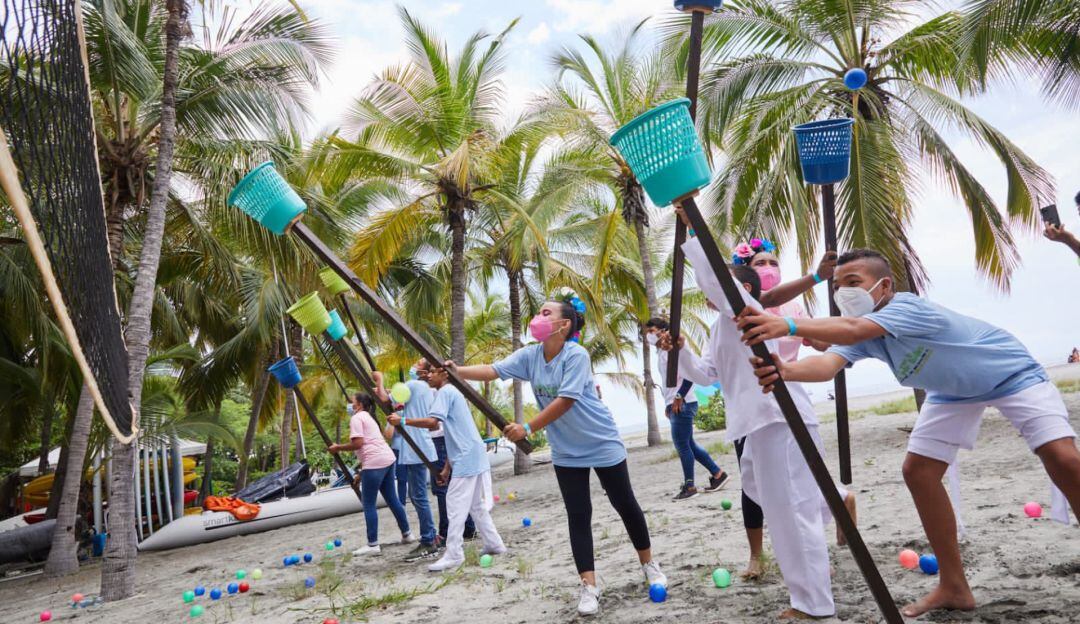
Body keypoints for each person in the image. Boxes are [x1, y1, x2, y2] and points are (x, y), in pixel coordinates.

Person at [739, 248, 1080, 618]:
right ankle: (954, 586)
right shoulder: (864, 333)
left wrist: (789, 325)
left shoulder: (906, 307)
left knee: (1061, 456)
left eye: (853, 282)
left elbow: (852, 329)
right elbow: (826, 364)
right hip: (950, 392)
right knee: (918, 471)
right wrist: (786, 371)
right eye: (837, 287)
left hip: (1011, 373)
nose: (843, 293)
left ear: (884, 286)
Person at [657, 229, 844, 620]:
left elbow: (714, 279)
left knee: (793, 511)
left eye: (721, 282)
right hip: (754, 424)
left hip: (779, 418)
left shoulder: (746, 308)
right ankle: (830, 508)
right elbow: (706, 374)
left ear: (741, 289)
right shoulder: (721, 325)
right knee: (769, 498)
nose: (708, 290)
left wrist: (691, 230)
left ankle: (814, 603)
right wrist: (682, 351)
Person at [448, 294, 666, 617]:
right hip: (566, 450)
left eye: (545, 312)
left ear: (563, 325)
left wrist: (527, 427)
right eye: (539, 311)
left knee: (625, 504)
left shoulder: (576, 355)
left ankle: (649, 565)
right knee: (578, 515)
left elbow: (566, 400)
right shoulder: (531, 355)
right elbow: (493, 370)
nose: (538, 316)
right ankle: (589, 586)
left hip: (601, 442)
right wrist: (457, 371)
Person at [736, 237, 854, 578]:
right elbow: (767, 298)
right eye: (760, 263)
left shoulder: (792, 309)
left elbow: (819, 342)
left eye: (773, 263)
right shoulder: (742, 303)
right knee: (753, 481)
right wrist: (816, 277)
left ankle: (816, 550)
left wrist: (843, 326)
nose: (768, 268)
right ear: (746, 274)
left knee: (802, 478)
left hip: (789, 396)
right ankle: (756, 555)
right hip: (750, 403)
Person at [387, 363, 505, 572]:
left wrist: (403, 420)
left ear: (444, 373)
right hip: (469, 454)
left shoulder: (445, 391)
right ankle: (494, 543)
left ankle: (454, 554)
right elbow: (454, 434)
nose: (428, 376)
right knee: (475, 505)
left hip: (467, 456)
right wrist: (447, 468)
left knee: (455, 503)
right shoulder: (451, 392)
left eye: (432, 372)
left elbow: (433, 423)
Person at [644, 317, 729, 501]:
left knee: (682, 446)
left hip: (683, 402)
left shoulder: (673, 348)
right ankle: (718, 474)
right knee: (689, 445)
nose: (648, 335)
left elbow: (691, 374)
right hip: (676, 403)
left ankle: (690, 486)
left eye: (651, 331)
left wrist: (678, 397)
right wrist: (668, 404)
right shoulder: (662, 352)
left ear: (662, 330)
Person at [328, 393, 414, 556]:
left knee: (369, 504)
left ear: (360, 404)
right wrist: (361, 474)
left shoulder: (357, 418)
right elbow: (369, 446)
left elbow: (358, 444)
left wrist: (337, 448)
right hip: (387, 459)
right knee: (393, 499)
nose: (350, 405)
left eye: (352, 402)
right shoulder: (369, 417)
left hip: (375, 462)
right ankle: (407, 534)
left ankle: (373, 544)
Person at [374, 370, 439, 561]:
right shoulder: (425, 388)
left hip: (415, 447)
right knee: (417, 495)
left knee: (419, 496)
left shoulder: (412, 385)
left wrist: (379, 379)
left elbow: (385, 400)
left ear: (422, 371)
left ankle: (428, 540)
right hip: (419, 446)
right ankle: (430, 536)